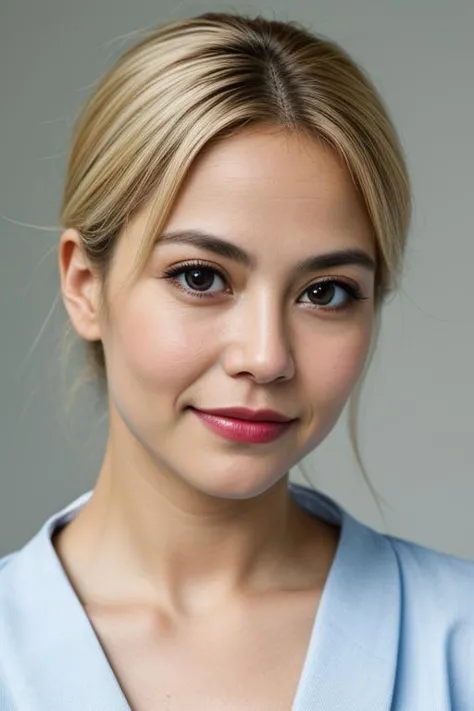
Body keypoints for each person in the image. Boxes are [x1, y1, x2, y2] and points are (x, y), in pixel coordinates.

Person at [1, 11, 473, 711]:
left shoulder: (458, 640)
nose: (266, 356)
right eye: (200, 277)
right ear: (85, 286)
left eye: (326, 292)